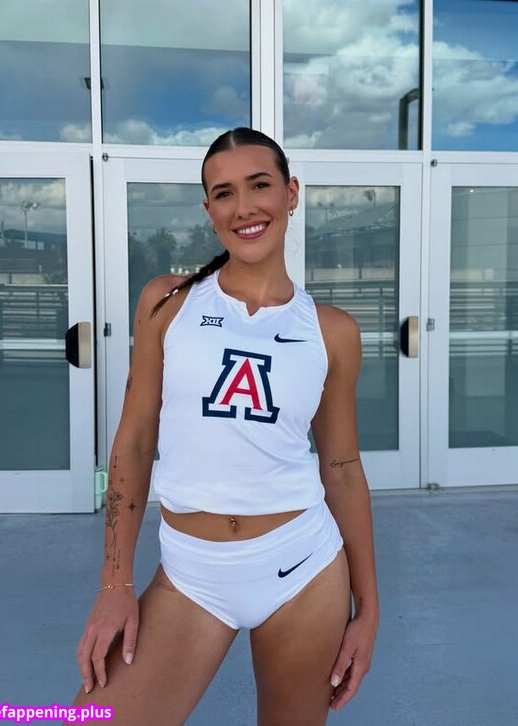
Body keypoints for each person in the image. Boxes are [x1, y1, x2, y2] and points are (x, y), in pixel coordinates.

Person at [70, 127, 379, 725]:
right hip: (191, 574)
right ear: (208, 209)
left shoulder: (333, 332)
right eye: (224, 193)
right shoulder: (167, 303)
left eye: (260, 185)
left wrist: (367, 609)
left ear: (291, 193)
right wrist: (114, 584)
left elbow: (342, 468)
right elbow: (134, 442)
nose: (244, 208)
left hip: (304, 570)